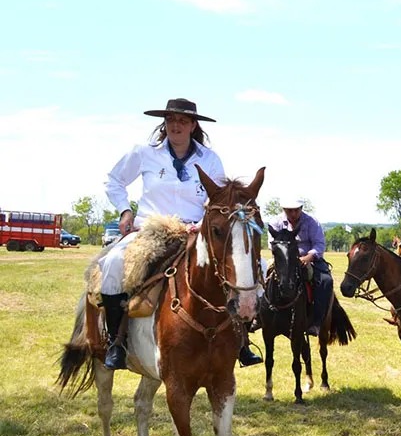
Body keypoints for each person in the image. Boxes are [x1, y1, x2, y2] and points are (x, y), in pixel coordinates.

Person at [101, 98, 262, 369]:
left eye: (183, 121)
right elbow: (113, 180)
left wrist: (205, 224)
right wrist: (124, 211)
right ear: (164, 124)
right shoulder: (144, 152)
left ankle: (241, 340)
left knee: (250, 269)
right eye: (171, 120)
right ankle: (116, 343)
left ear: (193, 125)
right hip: (150, 229)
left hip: (195, 230)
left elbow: (219, 199)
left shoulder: (209, 159)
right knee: (113, 263)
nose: (176, 125)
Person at [269, 197, 333, 337]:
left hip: (310, 259)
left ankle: (316, 322)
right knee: (263, 275)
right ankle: (260, 315)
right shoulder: (276, 222)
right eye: (289, 210)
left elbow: (319, 244)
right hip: (284, 260)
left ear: (301, 209)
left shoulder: (312, 222)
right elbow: (271, 243)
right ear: (284, 210)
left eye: (295, 210)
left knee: (325, 281)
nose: (292, 214)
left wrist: (309, 257)